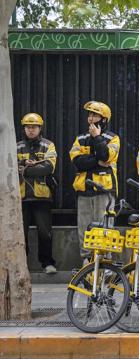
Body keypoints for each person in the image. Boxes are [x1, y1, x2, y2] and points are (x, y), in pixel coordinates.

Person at [69, 101, 120, 263]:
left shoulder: (113, 138)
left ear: (104, 119)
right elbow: (77, 161)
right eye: (89, 115)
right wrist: (96, 161)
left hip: (104, 191)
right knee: (84, 229)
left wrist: (97, 138)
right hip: (84, 190)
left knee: (104, 228)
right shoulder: (80, 138)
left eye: (95, 115)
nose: (91, 118)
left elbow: (106, 156)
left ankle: (105, 261)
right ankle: (86, 261)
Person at [17, 113, 57, 274]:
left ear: (40, 128)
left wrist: (24, 169)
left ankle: (47, 263)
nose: (31, 130)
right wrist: (23, 165)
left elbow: (49, 167)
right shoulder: (17, 146)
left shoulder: (48, 146)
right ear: (24, 128)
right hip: (21, 196)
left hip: (42, 196)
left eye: (34, 127)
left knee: (45, 232)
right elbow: (10, 167)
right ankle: (21, 266)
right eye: (28, 127)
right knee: (20, 235)